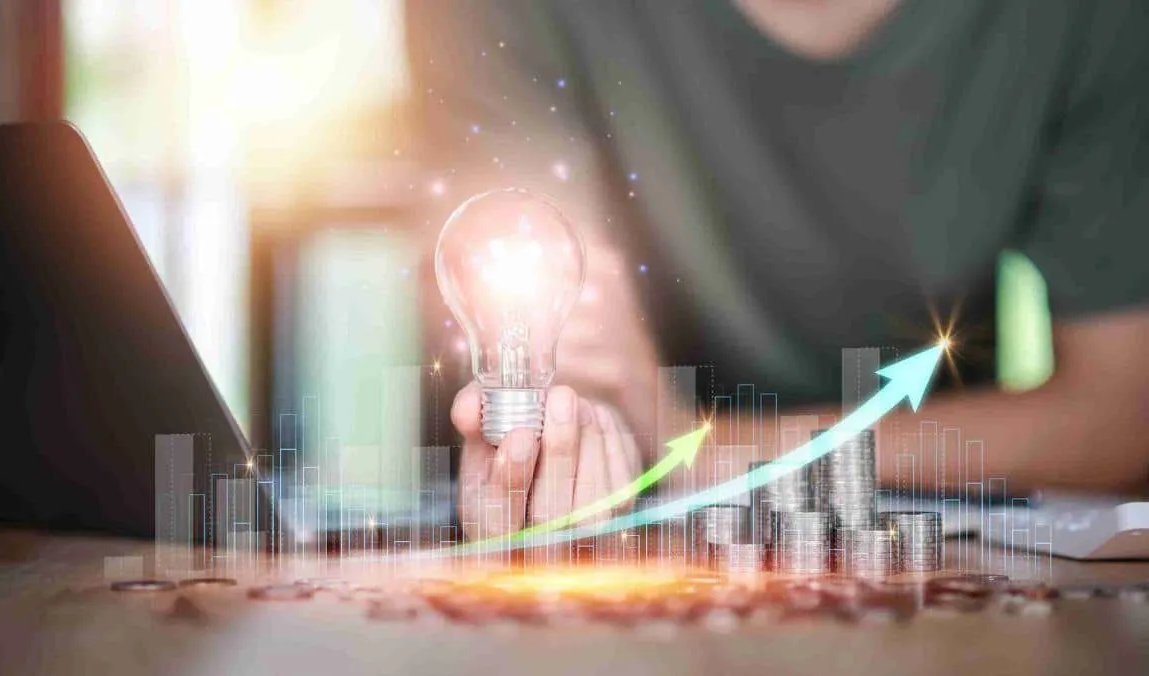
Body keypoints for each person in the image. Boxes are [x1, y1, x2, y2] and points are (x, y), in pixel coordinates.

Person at [406, 0, 1149, 541]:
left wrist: (697, 447)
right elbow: (551, 340)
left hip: (937, 562)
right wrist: (558, 452)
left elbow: (1124, 413)